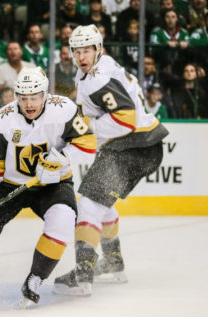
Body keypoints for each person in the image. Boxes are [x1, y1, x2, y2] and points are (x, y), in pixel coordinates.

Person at [0, 67, 96, 307]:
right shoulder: (2, 119)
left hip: (53, 184)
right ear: (15, 97)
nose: (29, 104)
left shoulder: (65, 110)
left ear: (45, 95)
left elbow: (88, 142)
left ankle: (35, 279)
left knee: (64, 219)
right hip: (10, 186)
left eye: (34, 98)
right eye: (23, 98)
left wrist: (63, 157)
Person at [52, 25, 169, 296]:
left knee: (89, 205)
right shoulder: (102, 66)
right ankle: (114, 264)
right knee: (102, 203)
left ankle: (83, 278)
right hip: (144, 145)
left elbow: (124, 119)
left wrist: (84, 126)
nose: (82, 57)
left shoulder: (96, 78)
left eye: (87, 51)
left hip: (132, 145)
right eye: (77, 51)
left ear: (98, 49)